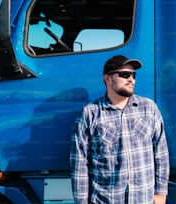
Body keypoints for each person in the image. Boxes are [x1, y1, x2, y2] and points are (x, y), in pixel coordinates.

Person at [70, 55, 170, 204]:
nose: (131, 79)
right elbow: (79, 164)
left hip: (143, 199)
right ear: (108, 79)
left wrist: (161, 193)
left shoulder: (149, 108)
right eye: (125, 74)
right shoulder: (89, 114)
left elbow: (161, 154)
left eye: (133, 74)